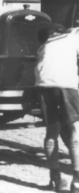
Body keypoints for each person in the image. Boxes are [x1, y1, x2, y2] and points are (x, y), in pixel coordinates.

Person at [35, 23, 79, 192]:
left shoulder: (42, 48)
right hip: (66, 86)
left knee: (51, 133)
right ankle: (77, 182)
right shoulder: (72, 37)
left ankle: (55, 179)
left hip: (44, 87)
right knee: (76, 131)